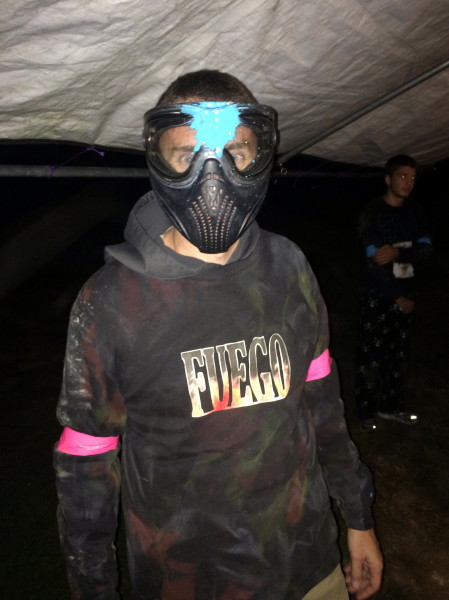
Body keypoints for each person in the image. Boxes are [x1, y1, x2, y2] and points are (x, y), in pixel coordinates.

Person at [54, 69, 383, 600]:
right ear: (159, 159)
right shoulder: (112, 302)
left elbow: (323, 407)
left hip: (308, 564)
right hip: (189, 582)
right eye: (187, 154)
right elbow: (85, 467)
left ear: (261, 158)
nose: (213, 175)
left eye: (236, 153)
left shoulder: (288, 266)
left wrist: (358, 517)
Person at [355, 154, 432, 432]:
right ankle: (365, 412)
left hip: (408, 293)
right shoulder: (372, 212)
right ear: (388, 179)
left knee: (398, 354)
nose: (408, 182)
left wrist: (399, 252)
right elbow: (374, 259)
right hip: (378, 295)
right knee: (371, 355)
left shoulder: (416, 211)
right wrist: (396, 296)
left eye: (412, 177)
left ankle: (391, 406)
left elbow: (426, 250)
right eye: (402, 176)